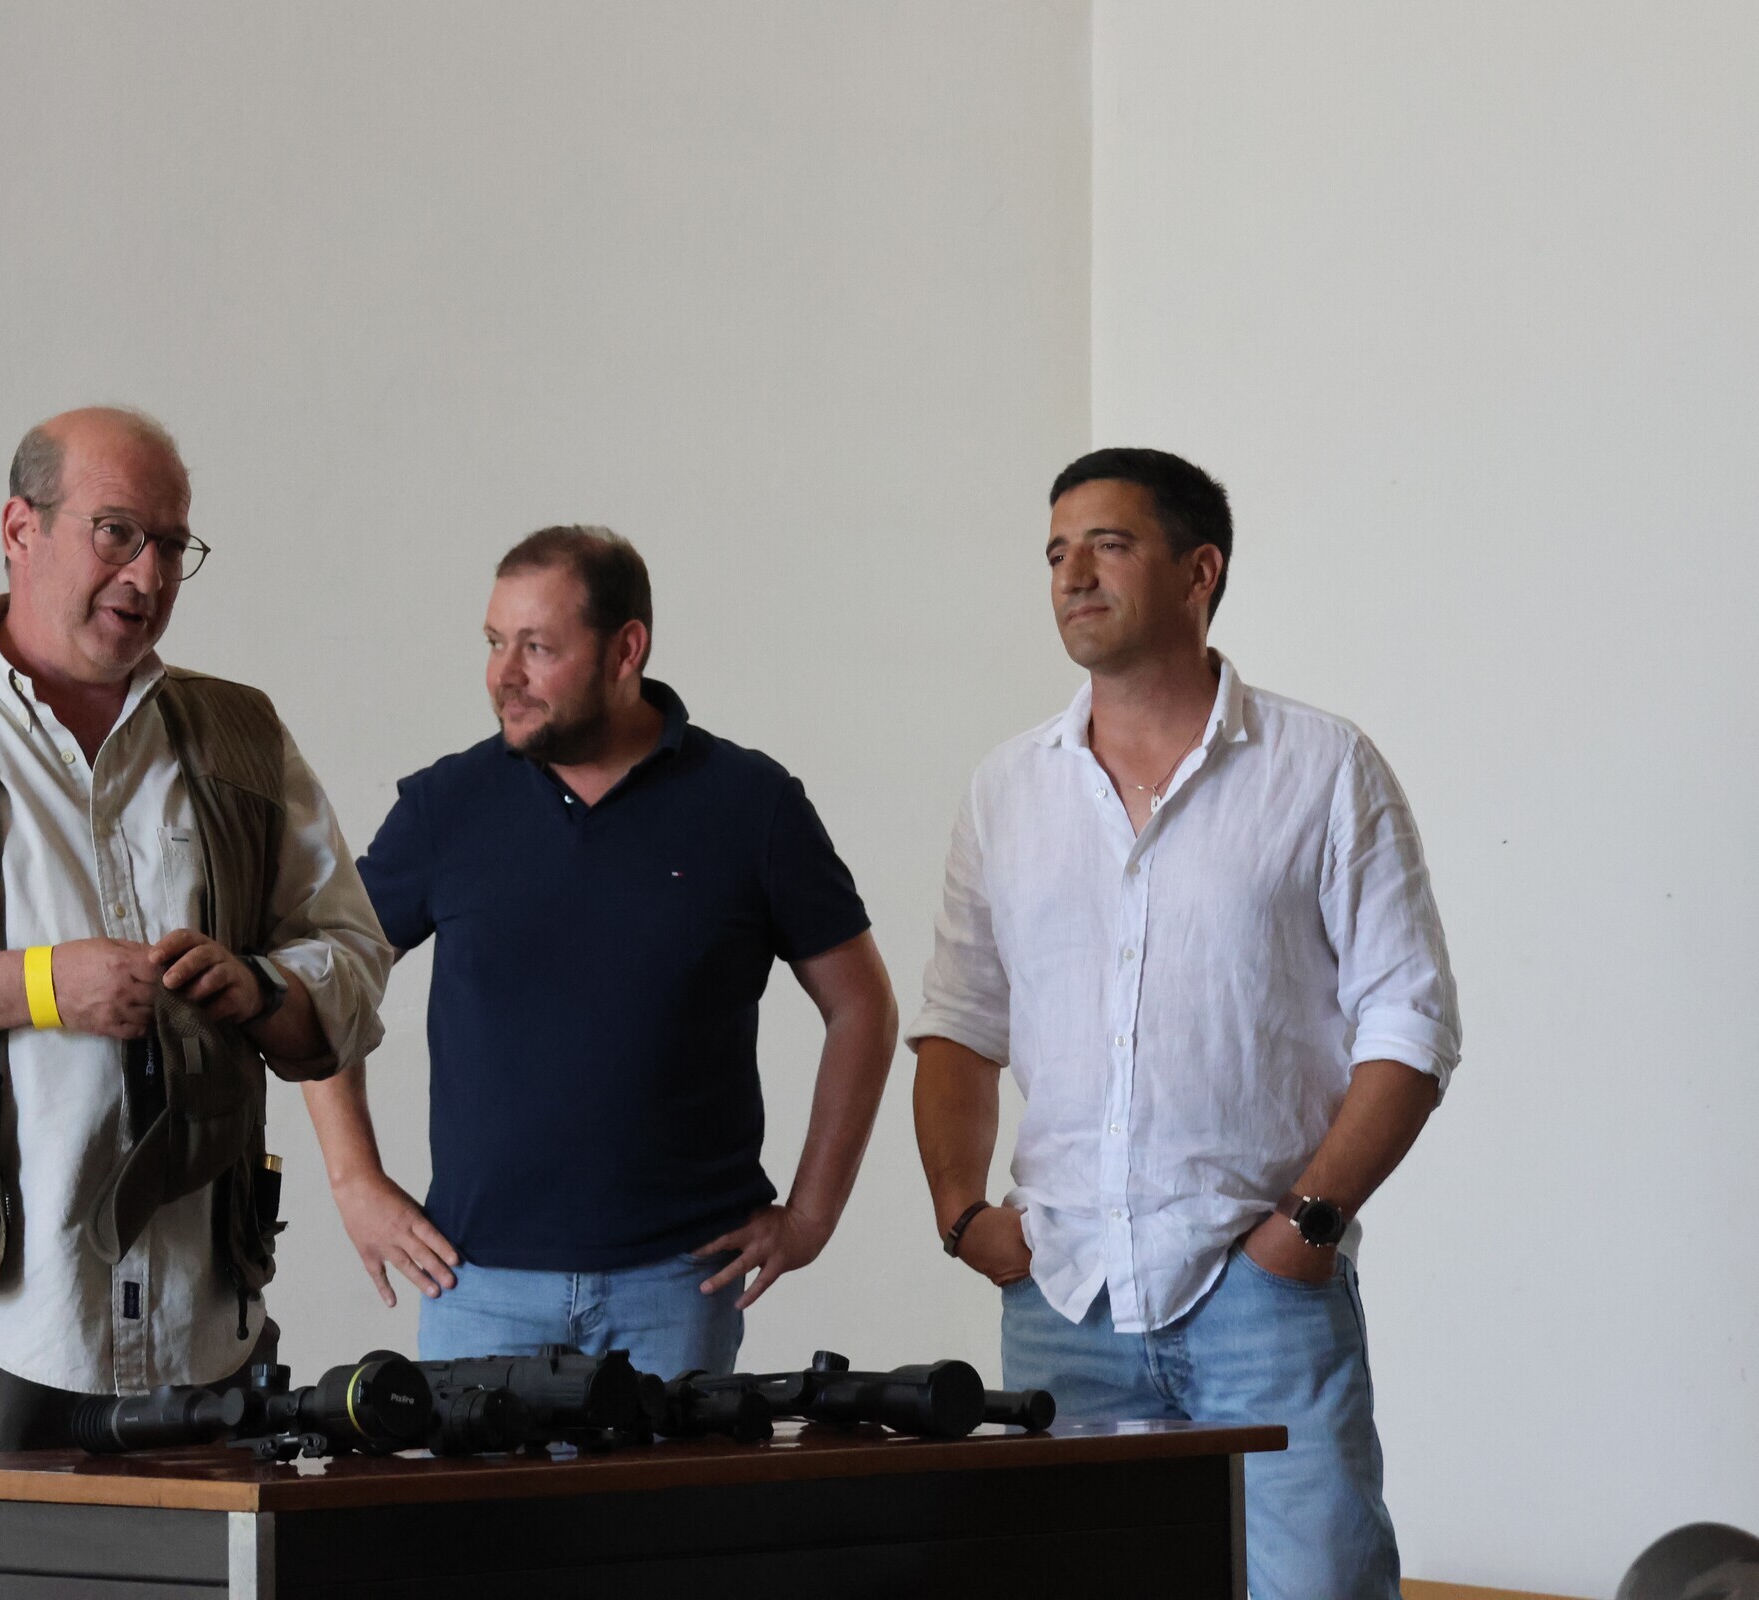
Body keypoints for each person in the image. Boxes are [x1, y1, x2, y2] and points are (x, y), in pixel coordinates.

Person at [0, 407, 392, 1455]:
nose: (149, 574)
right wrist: (43, 986)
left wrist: (262, 989)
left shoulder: (242, 735)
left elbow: (353, 958)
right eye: (117, 532)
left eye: (172, 544)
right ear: (21, 529)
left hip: (202, 1336)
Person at [911, 448, 1459, 1599]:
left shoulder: (1322, 767)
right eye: (1057, 552)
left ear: (1199, 570)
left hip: (1263, 1298)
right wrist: (964, 1218)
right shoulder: (1008, 790)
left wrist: (1307, 1227)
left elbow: (1410, 1024)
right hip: (1062, 1300)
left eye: (1108, 545)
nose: (1073, 575)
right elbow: (958, 1023)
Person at [304, 525, 900, 1379]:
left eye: (537, 647)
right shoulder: (447, 807)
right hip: (477, 1284)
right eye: (494, 642)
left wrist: (811, 1214)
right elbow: (322, 988)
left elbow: (861, 1004)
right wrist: (353, 1180)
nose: (503, 675)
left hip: (676, 1288)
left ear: (626, 650)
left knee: (667, 1482)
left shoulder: (751, 804)